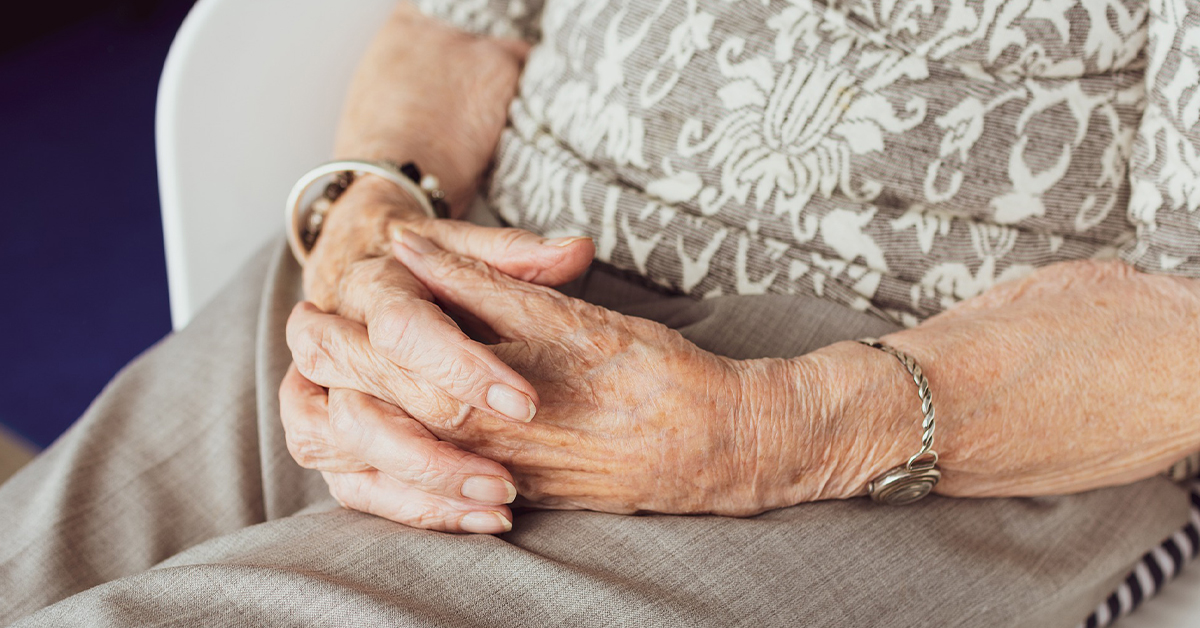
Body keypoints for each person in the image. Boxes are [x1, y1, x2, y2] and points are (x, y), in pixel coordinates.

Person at [2, 1, 1198, 626]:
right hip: (457, 260)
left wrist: (764, 429)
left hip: (897, 400)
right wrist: (370, 229)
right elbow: (459, 23)